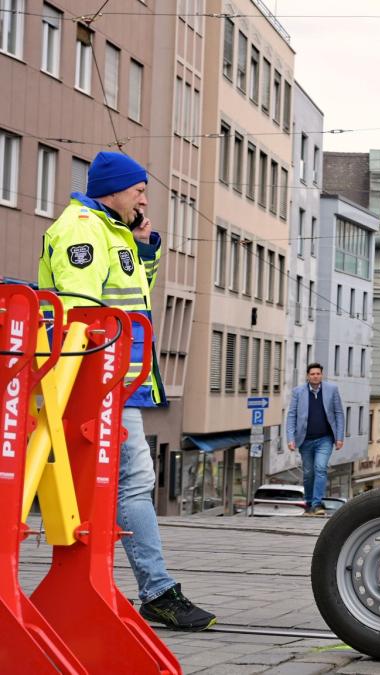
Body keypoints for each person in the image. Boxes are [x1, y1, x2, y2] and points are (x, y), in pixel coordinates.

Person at [37, 151, 216, 631]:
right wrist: (93, 383)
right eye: (138, 190)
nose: (144, 199)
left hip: (114, 381)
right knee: (131, 480)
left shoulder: (113, 231)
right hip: (97, 381)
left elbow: (134, 300)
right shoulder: (82, 231)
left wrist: (144, 251)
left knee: (118, 483)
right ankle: (155, 591)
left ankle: (121, 589)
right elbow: (80, 313)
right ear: (113, 190)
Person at [285, 363, 346, 515]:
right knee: (308, 473)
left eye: (318, 373)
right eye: (312, 374)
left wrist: (339, 437)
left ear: (322, 375)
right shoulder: (298, 392)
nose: (315, 376)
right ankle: (308, 502)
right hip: (305, 440)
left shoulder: (332, 390)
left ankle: (317, 504)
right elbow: (291, 415)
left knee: (320, 468)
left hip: (325, 439)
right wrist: (290, 438)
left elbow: (339, 413)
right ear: (308, 376)